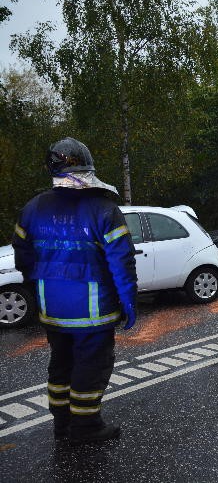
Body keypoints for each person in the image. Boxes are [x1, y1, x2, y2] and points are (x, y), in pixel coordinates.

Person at [12, 137, 138, 444]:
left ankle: (62, 426)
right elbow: (122, 262)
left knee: (61, 366)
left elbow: (23, 257)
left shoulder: (33, 208)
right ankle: (86, 427)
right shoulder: (103, 209)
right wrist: (129, 303)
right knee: (91, 368)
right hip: (94, 314)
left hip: (52, 310)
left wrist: (43, 282)